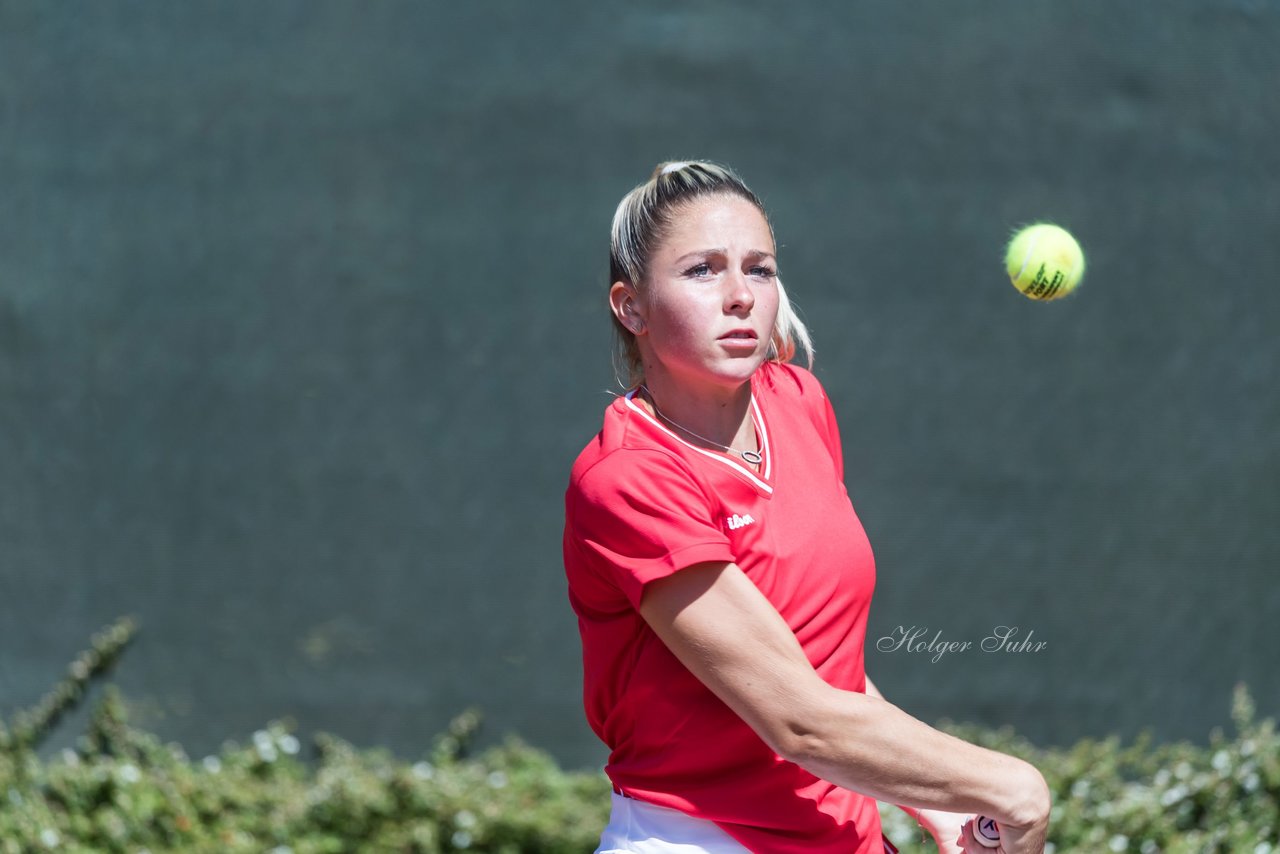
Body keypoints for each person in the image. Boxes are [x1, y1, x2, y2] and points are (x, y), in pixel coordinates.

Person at [562, 160, 1051, 854]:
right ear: (630, 306)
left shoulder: (797, 402)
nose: (740, 296)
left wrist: (925, 799)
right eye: (702, 270)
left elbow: (820, 663)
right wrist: (1008, 786)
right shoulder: (627, 479)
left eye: (758, 269)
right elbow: (799, 719)